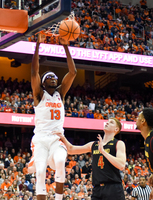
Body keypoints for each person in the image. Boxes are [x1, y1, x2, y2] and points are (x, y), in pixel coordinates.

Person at [28, 34, 77, 200]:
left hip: (57, 138)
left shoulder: (60, 94)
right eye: (49, 77)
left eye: (55, 77)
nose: (53, 79)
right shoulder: (39, 95)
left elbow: (73, 72)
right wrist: (38, 46)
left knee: (61, 162)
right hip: (41, 139)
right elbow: (34, 70)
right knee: (41, 172)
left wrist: (65, 47)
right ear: (43, 82)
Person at [55, 118, 126, 200]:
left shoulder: (118, 143)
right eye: (107, 121)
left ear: (116, 129)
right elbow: (71, 150)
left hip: (113, 188)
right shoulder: (94, 144)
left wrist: (103, 152)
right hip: (97, 189)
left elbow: (121, 165)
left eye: (111, 122)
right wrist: (62, 137)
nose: (107, 123)